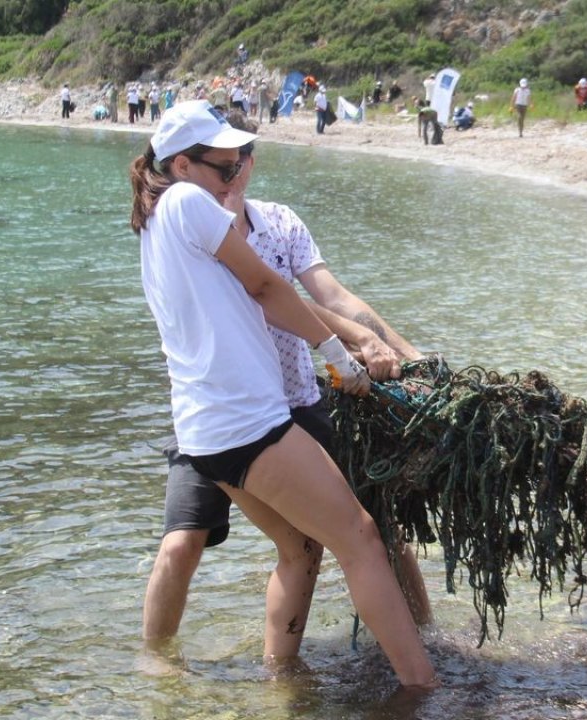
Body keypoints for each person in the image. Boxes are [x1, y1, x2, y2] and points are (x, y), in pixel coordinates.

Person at [128, 100, 437, 687]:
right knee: (361, 539)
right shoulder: (187, 203)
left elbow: (298, 293)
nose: (236, 172)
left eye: (242, 159)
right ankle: (423, 688)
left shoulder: (159, 223)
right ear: (180, 166)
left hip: (210, 428)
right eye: (222, 166)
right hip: (246, 420)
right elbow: (268, 286)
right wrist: (340, 356)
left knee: (301, 547)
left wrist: (391, 346)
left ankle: (282, 680)